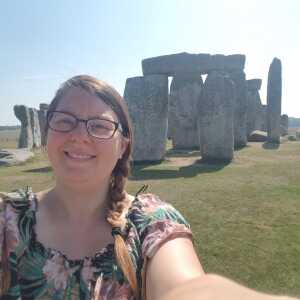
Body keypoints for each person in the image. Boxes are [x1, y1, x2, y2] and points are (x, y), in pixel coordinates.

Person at [0, 75, 297, 300]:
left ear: (123, 145)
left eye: (100, 126)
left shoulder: (150, 223)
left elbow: (188, 287)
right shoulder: (6, 220)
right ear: (46, 130)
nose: (79, 135)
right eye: (64, 121)